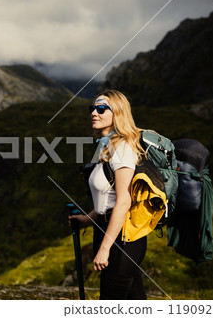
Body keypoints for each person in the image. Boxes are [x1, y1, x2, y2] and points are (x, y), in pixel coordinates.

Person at [69, 90, 147, 300]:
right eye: (92, 108)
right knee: (134, 300)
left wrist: (105, 248)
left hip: (123, 238)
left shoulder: (122, 148)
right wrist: (88, 218)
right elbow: (108, 197)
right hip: (107, 229)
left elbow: (123, 202)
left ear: (118, 114)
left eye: (101, 108)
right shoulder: (105, 147)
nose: (94, 112)